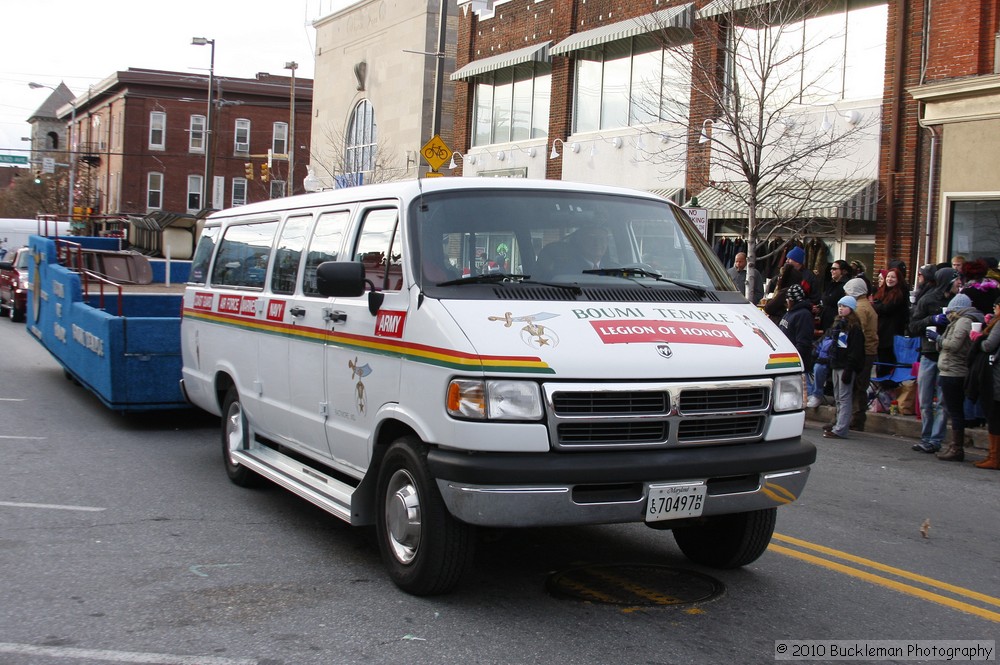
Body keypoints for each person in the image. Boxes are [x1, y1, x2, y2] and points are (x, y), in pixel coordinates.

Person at [907, 267, 962, 453]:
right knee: (925, 400)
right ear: (947, 281)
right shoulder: (928, 300)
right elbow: (913, 327)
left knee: (943, 402)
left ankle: (936, 440)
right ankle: (926, 436)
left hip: (947, 356)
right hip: (929, 354)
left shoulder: (958, 301)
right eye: (956, 280)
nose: (959, 283)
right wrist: (932, 320)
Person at [928, 293, 983, 461]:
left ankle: (956, 447)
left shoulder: (963, 322)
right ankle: (955, 446)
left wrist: (938, 338)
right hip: (950, 369)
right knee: (954, 410)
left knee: (955, 411)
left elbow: (953, 345)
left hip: (954, 371)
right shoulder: (960, 322)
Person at [823, 296, 865, 439]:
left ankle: (841, 428)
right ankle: (838, 425)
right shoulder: (838, 324)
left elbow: (855, 351)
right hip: (836, 364)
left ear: (851, 309)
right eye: (839, 305)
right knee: (838, 397)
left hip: (846, 366)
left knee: (844, 397)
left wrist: (849, 368)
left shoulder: (854, 328)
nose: (841, 308)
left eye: (844, 306)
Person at [843, 277, 877, 430]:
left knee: (857, 385)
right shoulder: (866, 305)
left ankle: (856, 419)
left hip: (863, 351)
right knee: (859, 385)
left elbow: (857, 331)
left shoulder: (860, 308)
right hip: (869, 350)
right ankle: (855, 418)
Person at [971, 296, 1000, 469]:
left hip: (996, 375)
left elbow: (989, 345)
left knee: (995, 417)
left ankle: (994, 457)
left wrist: (978, 339)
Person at [872, 267, 910, 366]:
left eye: (893, 277)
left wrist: (874, 306)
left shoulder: (899, 294)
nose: (889, 279)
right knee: (880, 363)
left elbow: (886, 309)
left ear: (898, 280)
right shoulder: (882, 292)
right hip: (880, 332)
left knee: (887, 363)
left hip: (891, 335)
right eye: (888, 276)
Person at [779, 284, 814, 372]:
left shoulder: (804, 315)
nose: (786, 302)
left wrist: (794, 361)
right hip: (785, 360)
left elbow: (803, 343)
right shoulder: (789, 313)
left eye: (788, 299)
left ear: (792, 300)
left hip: (796, 365)